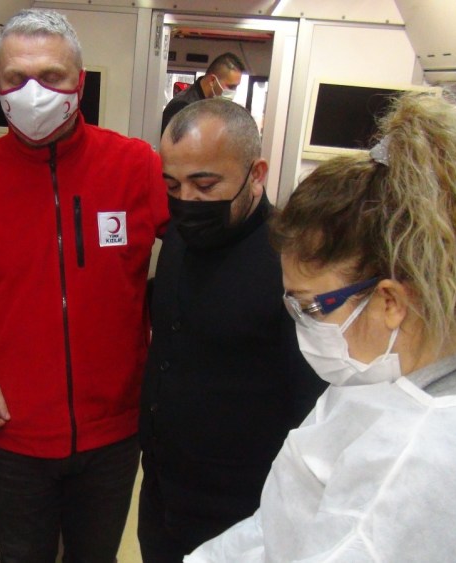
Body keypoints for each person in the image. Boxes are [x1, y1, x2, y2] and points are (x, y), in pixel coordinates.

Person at [185, 92, 456, 562]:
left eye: (312, 308)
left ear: (390, 301)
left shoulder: (417, 471)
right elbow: (281, 525)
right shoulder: (389, 376)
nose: (304, 325)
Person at [0, 8, 168, 563]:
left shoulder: (134, 167)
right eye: (15, 78)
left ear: (79, 82)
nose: (33, 92)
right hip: (10, 431)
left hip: (114, 431)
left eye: (51, 76)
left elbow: (200, 252)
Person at [139, 99, 325, 562]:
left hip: (244, 510)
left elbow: (312, 409)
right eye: (172, 185)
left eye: (205, 185)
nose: (187, 200)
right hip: (163, 491)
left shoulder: (293, 265)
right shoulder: (180, 236)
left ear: (256, 174)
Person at [160, 52, 245, 134]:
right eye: (231, 87)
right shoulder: (182, 107)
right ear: (212, 81)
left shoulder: (213, 105)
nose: (233, 92)